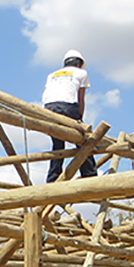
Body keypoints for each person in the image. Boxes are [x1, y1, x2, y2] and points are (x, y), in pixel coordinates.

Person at [41, 48, 98, 183]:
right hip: (67, 106)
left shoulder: (52, 75)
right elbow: (81, 97)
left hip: (48, 109)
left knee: (57, 144)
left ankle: (53, 178)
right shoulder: (81, 73)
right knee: (83, 140)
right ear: (78, 63)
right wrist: (79, 120)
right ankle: (90, 176)